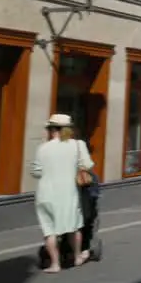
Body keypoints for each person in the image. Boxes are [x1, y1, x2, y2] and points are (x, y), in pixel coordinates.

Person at [32, 114, 94, 273]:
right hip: (68, 193)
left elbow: (36, 172)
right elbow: (87, 165)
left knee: (49, 230)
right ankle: (77, 256)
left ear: (51, 129)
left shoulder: (43, 148)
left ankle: (55, 264)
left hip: (45, 194)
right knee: (74, 227)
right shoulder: (77, 145)